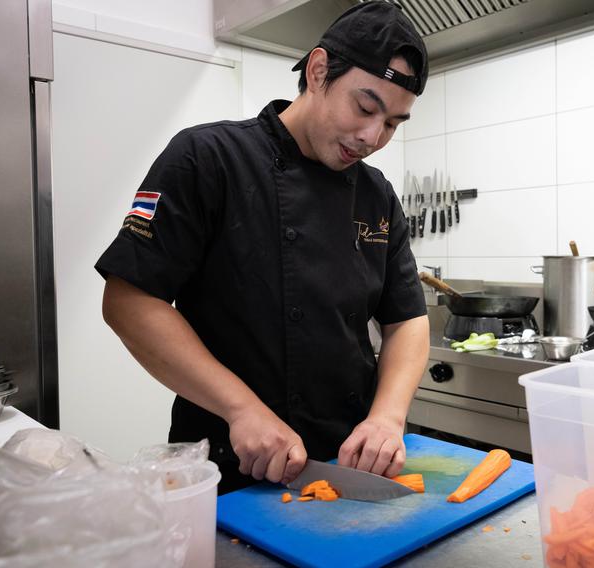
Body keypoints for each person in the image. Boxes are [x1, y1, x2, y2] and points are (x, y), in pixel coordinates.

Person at [95, 1, 431, 494]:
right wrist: (241, 409)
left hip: (345, 466)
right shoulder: (207, 159)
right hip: (229, 464)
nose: (372, 136)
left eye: (394, 123)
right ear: (318, 71)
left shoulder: (376, 192)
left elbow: (407, 320)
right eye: (365, 107)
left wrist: (387, 417)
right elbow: (128, 301)